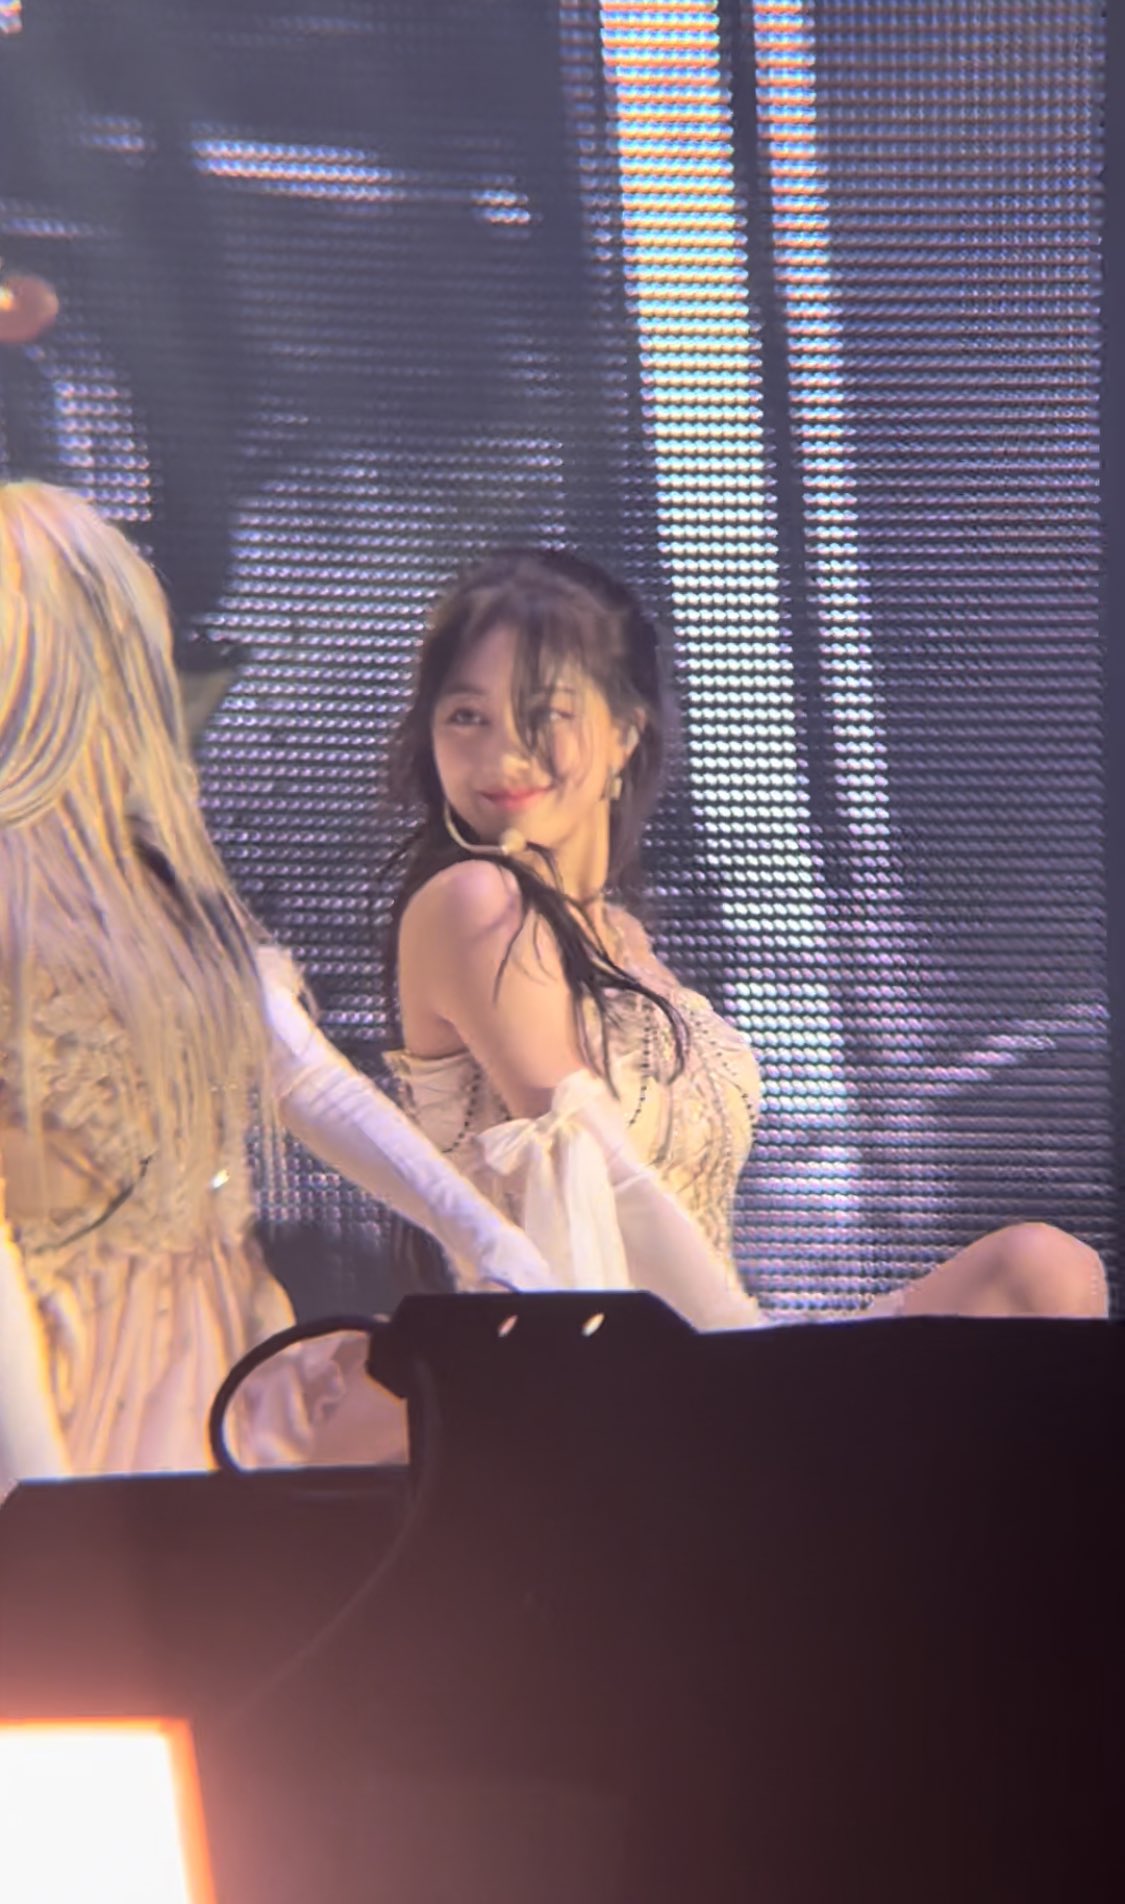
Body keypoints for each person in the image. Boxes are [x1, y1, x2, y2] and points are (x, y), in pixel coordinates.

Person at [385, 547, 1107, 1327]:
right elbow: (605, 1193)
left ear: (625, 731)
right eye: (467, 716)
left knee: (1040, 1270)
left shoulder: (623, 938)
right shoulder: (474, 901)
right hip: (604, 1365)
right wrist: (749, 1369)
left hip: (712, 1345)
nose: (503, 754)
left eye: (546, 714)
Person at [0, 482, 553, 1494]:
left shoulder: (159, 882)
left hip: (201, 1337)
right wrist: (31, 1480)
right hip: (56, 1366)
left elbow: (300, 1074)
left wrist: (480, 1231)